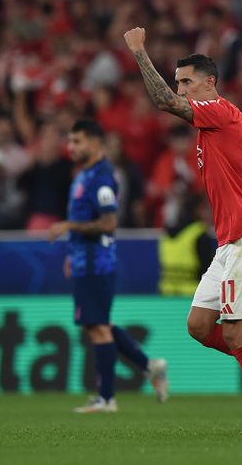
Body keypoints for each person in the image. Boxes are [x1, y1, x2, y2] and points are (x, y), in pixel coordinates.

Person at [123, 28, 242, 434]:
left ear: (210, 82)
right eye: (179, 82)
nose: (181, 90)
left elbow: (161, 101)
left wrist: (140, 51)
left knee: (238, 336)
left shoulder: (220, 112)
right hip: (233, 242)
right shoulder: (230, 125)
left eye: (187, 82)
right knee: (199, 327)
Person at [47, 119, 169, 413]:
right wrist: (71, 254)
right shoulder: (83, 176)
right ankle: (149, 366)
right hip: (83, 259)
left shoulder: (102, 177)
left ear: (94, 143)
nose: (71, 147)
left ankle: (107, 398)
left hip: (96, 263)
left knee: (98, 328)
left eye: (77, 141)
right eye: (70, 141)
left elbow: (109, 222)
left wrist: (68, 225)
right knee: (99, 324)